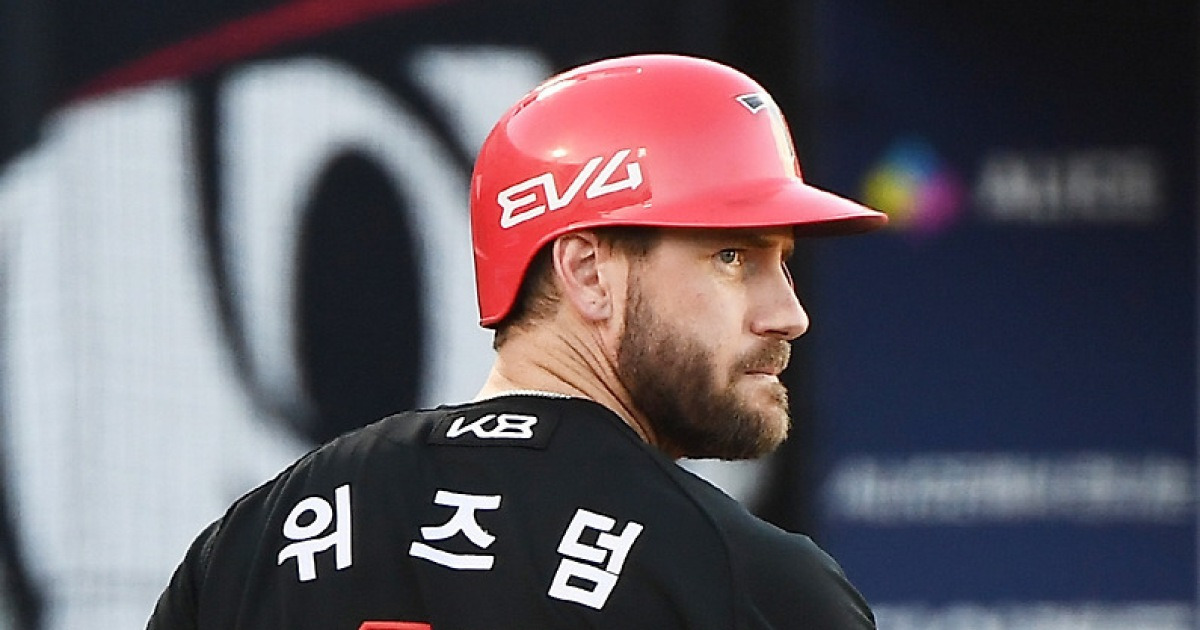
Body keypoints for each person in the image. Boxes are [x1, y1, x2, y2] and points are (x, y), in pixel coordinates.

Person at [147, 53, 887, 630]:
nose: (788, 313)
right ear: (588, 273)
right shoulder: (749, 588)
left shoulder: (251, 547)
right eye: (733, 257)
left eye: (781, 262)